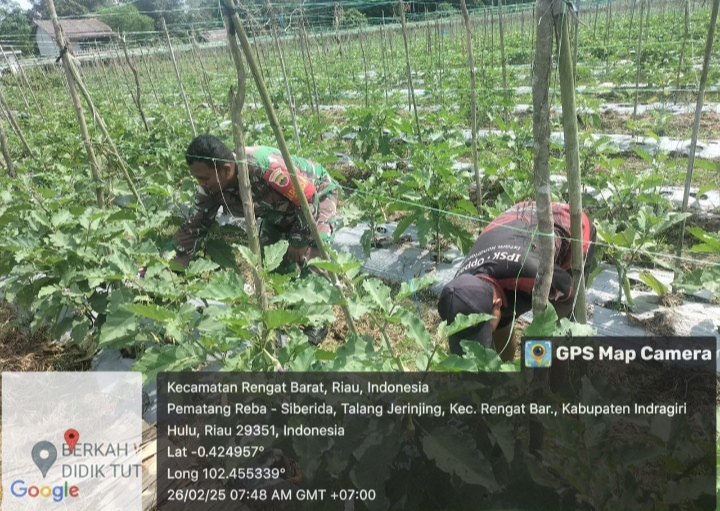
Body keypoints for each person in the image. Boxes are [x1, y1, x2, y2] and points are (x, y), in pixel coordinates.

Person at [169, 134, 339, 343]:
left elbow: (308, 195)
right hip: (277, 210)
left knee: (313, 254)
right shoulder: (210, 188)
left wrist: (299, 240)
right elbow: (193, 227)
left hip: (315, 197)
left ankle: (316, 317)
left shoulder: (263, 167)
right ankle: (295, 302)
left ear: (226, 170)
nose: (201, 184)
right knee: (272, 258)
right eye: (197, 179)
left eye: (204, 178)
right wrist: (172, 267)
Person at [438, 202, 596, 361]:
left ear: (498, 303)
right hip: (516, 226)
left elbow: (568, 296)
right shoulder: (459, 290)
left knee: (561, 328)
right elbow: (498, 322)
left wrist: (540, 333)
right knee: (500, 323)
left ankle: (561, 372)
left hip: (569, 225)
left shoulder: (532, 274)